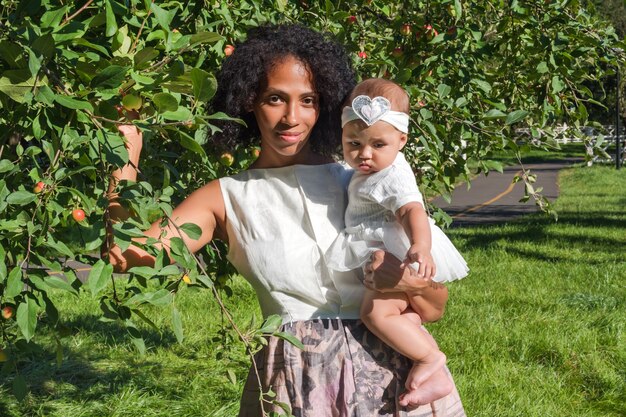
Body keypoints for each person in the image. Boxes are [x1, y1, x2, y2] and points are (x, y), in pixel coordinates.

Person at [106, 24, 466, 417]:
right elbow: (126, 255)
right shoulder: (227, 197)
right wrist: (124, 156)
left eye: (307, 100)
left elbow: (434, 308)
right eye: (275, 98)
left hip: (401, 388)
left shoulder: (364, 183)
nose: (291, 118)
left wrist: (409, 281)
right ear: (248, 101)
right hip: (297, 385)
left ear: (324, 105)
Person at [325, 78, 469, 407]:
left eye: (378, 144)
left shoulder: (392, 175)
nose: (364, 154)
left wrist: (420, 245)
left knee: (375, 314)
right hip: (384, 249)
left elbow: (412, 209)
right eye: (353, 143)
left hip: (394, 255)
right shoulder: (372, 168)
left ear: (401, 139)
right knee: (401, 316)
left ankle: (430, 358)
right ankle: (435, 380)